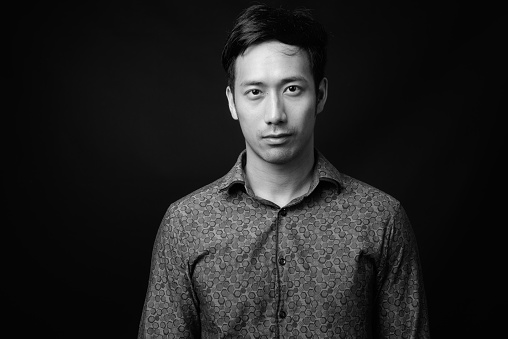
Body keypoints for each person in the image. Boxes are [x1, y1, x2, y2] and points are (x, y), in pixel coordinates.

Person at [138, 4, 429, 338]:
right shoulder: (185, 223)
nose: (274, 114)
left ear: (319, 95)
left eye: (292, 88)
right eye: (255, 92)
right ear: (233, 102)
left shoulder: (381, 219)